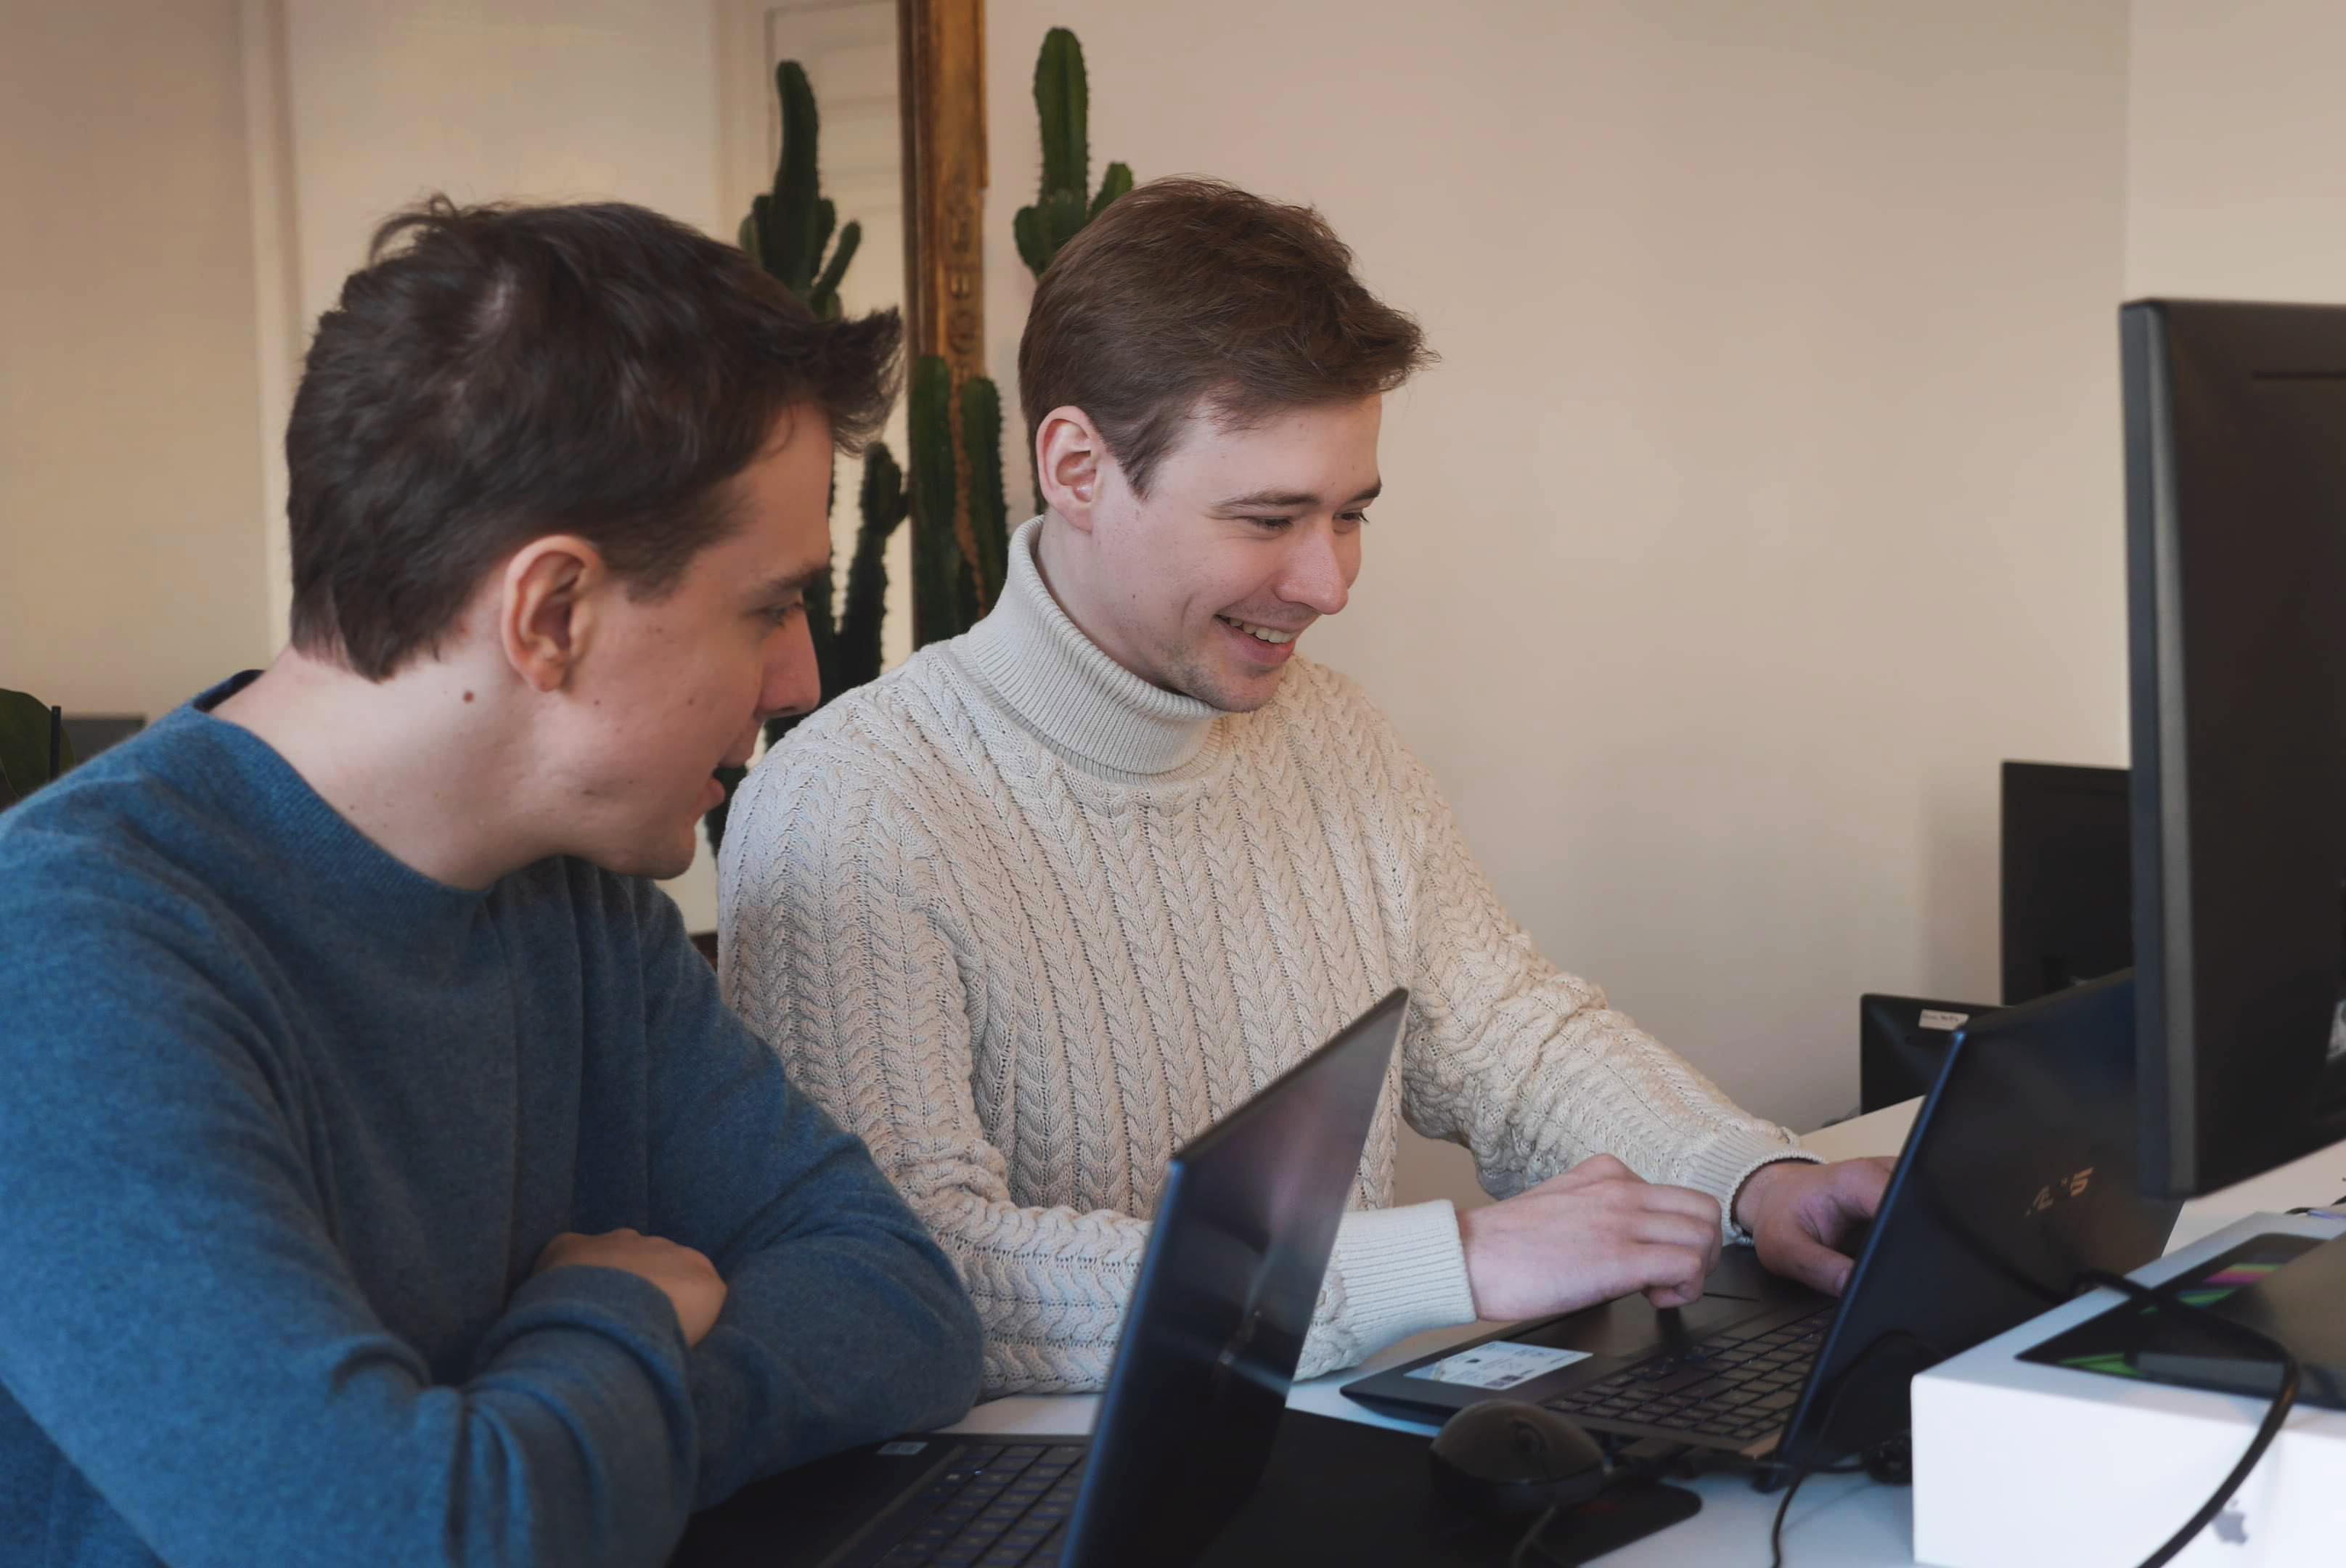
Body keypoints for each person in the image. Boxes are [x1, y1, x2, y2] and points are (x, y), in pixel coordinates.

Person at [717, 177, 1888, 1397]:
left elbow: (1510, 1042)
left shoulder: (1333, 735)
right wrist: (1450, 1265)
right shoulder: (853, 807)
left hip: (1310, 1444)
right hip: (1040, 1485)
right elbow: (918, 1270)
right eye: (1269, 518)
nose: (1328, 585)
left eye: (1349, 516)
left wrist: (1753, 1179)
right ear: (1076, 468)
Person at [0, 199, 981, 1567]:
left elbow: (901, 1306)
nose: (799, 676)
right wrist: (613, 1323)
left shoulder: (572, 899)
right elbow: (396, 1541)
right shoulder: (60, 956)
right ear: (551, 613)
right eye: (766, 606)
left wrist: (525, 1452)